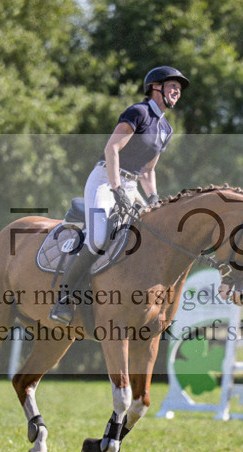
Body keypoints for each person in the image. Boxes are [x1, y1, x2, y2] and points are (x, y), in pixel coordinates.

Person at [49, 66, 190, 324]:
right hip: (105, 180)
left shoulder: (165, 128)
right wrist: (116, 188)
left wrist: (153, 199)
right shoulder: (139, 112)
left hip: (131, 186)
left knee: (152, 232)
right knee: (100, 237)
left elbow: (148, 170)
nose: (177, 92)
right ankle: (64, 299)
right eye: (172, 86)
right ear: (155, 87)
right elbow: (111, 149)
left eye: (179, 89)